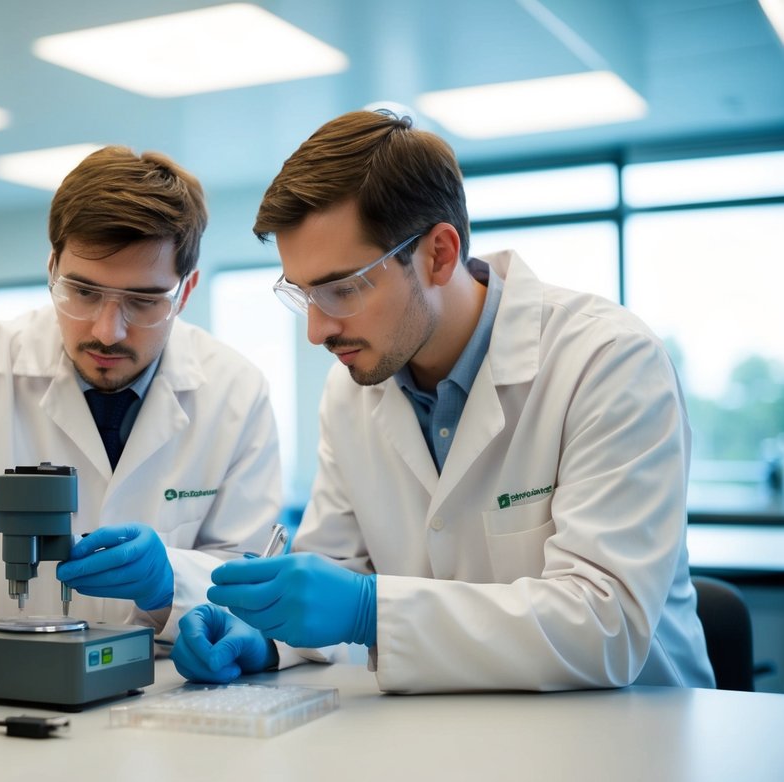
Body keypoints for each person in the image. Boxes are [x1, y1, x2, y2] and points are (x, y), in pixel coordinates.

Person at [172, 110, 715, 692]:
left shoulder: (607, 361)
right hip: (449, 741)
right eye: (303, 294)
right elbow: (334, 577)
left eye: (343, 289)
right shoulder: (353, 392)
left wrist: (369, 610)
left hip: (629, 740)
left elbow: (604, 628)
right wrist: (267, 635)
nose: (317, 330)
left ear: (438, 253)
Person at [0, 146, 282, 651]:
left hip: (161, 694)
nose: (107, 330)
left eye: (144, 302)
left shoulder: (234, 392)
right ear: (53, 268)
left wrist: (172, 582)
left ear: (184, 293)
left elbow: (254, 587)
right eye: (83, 291)